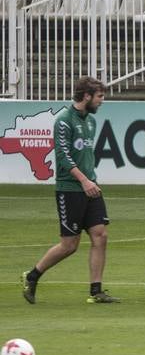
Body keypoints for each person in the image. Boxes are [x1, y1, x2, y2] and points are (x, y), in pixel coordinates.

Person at [21, 76, 118, 305]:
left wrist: (90, 181)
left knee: (100, 236)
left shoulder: (91, 122)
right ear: (87, 96)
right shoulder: (63, 121)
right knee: (69, 245)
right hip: (70, 189)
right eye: (100, 96)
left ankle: (96, 291)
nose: (102, 101)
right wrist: (84, 181)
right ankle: (33, 275)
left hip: (90, 186)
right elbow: (63, 158)